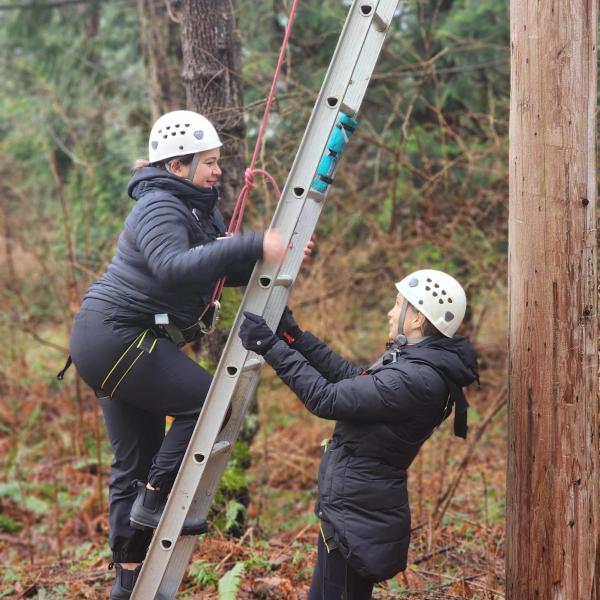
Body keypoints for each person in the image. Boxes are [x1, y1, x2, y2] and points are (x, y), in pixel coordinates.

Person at [68, 110, 287, 599]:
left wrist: (264, 256)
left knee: (133, 465)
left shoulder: (189, 208)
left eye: (217, 162)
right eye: (208, 163)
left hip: (110, 342)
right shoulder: (160, 206)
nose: (217, 171)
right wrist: (252, 242)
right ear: (176, 166)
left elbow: (204, 271)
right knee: (209, 404)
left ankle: (128, 581)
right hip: (116, 337)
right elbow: (173, 268)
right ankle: (157, 497)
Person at [238, 269, 479, 600]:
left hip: (357, 512)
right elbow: (352, 378)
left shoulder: (414, 378)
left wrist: (269, 346)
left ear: (418, 319)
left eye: (398, 305)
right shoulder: (417, 365)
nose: (390, 313)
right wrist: (293, 336)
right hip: (353, 505)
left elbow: (327, 398)